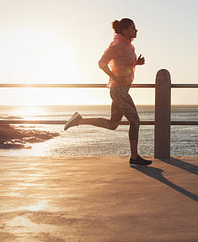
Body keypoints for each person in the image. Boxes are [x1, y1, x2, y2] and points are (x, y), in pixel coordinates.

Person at [65, 18, 152, 167]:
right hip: (119, 91)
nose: (136, 30)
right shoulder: (118, 45)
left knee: (113, 124)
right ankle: (134, 157)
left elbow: (123, 64)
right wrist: (113, 76)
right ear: (125, 31)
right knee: (135, 121)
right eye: (133, 28)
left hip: (122, 90)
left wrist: (136, 63)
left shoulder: (129, 46)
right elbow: (101, 63)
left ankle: (79, 120)